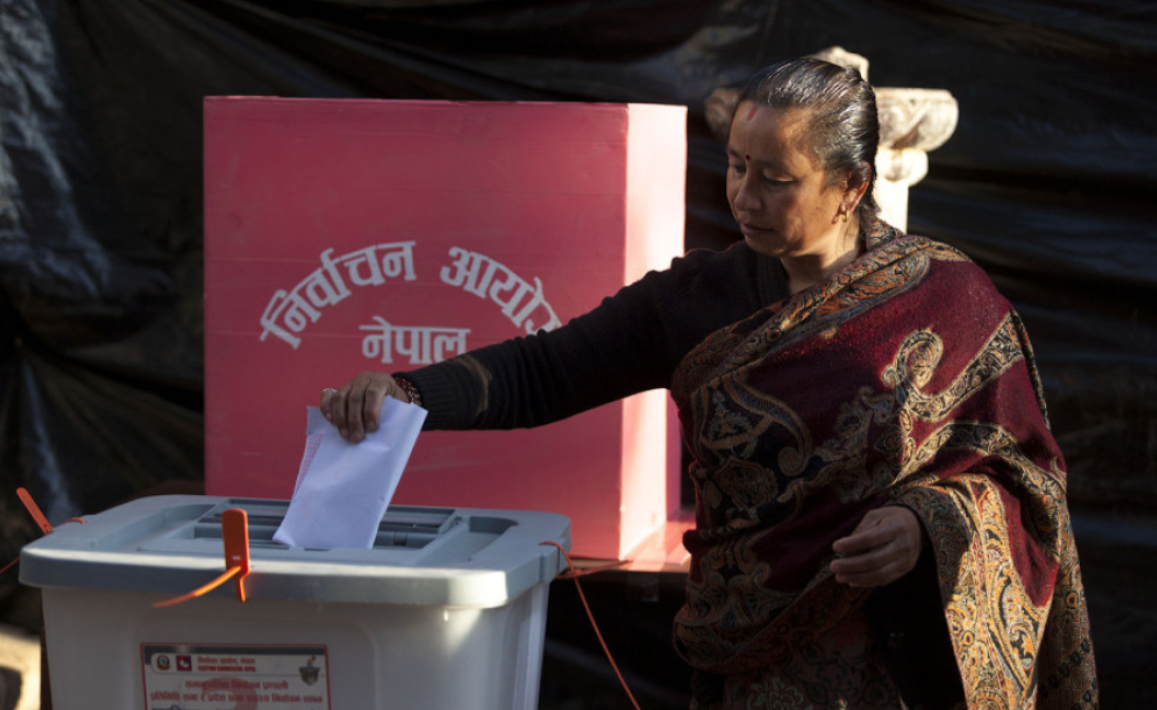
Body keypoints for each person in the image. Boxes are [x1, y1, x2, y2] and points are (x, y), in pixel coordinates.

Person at [321, 57, 1098, 710]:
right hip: (746, 657)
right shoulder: (695, 300)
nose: (743, 198)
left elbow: (1024, 476)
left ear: (852, 185)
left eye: (775, 179)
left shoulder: (948, 301)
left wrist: (927, 525)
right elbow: (545, 371)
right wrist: (408, 393)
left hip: (899, 662)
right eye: (734, 166)